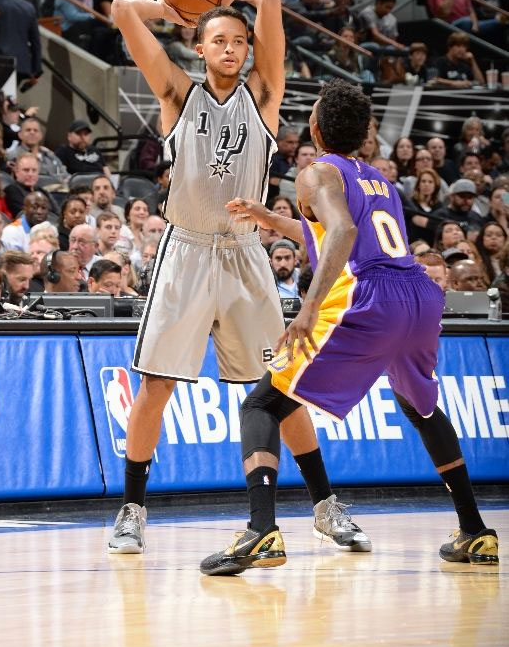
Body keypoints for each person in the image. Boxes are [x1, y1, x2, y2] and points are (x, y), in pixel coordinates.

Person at [107, 0, 369, 556]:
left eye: (239, 42)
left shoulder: (265, 95)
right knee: (155, 388)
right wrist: (168, 7)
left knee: (280, 386)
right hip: (188, 250)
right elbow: (123, 10)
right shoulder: (176, 92)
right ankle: (131, 508)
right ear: (199, 50)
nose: (231, 49)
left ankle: (326, 506)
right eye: (219, 40)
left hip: (246, 252)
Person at [200, 80, 498, 575]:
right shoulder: (377, 178)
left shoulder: (315, 171)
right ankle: (475, 532)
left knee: (262, 403)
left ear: (315, 127)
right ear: (363, 135)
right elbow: (329, 232)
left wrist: (310, 306)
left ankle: (261, 532)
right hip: (419, 297)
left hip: (370, 298)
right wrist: (270, 218)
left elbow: (342, 232)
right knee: (421, 409)